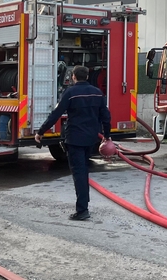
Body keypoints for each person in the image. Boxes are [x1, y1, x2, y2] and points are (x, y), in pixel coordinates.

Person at [35, 65, 111, 221]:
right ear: (87, 76)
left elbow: (55, 114)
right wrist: (107, 136)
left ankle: (82, 210)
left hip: (75, 139)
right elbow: (106, 116)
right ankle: (84, 205)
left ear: (74, 77)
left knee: (79, 173)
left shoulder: (70, 93)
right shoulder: (97, 93)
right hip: (91, 139)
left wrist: (41, 132)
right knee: (84, 172)